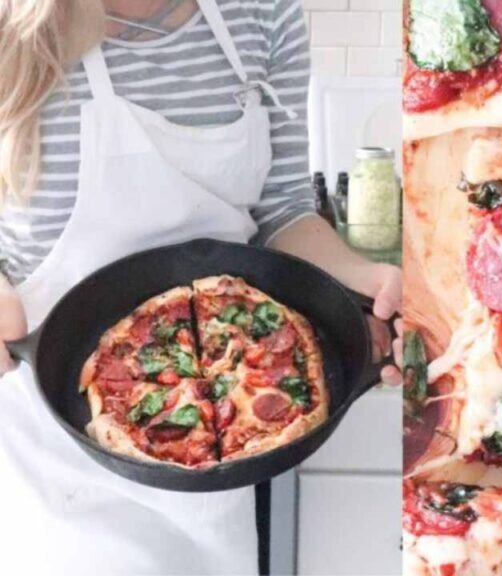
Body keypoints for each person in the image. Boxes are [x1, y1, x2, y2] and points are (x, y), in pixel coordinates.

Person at [0, 0, 401, 573]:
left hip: (218, 475)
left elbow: (282, 209)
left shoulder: (265, 13)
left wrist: (364, 277)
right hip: (51, 474)